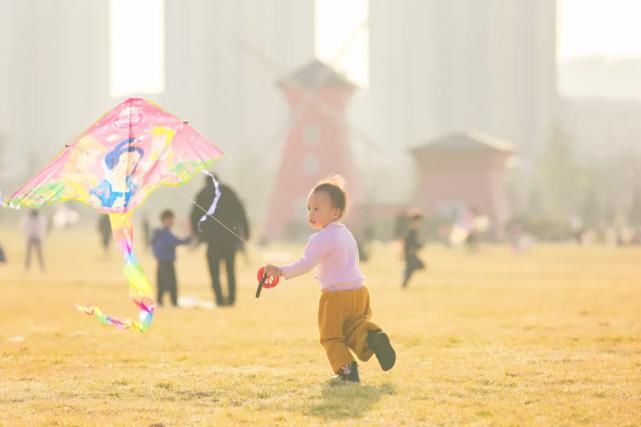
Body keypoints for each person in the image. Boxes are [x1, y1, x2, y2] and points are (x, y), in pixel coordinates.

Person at [263, 175, 396, 384]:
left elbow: (305, 264)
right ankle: (372, 337)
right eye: (309, 208)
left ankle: (347, 372)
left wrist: (280, 271)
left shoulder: (320, 238)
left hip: (335, 297)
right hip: (360, 292)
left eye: (317, 208)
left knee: (331, 337)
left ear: (335, 212)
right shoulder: (346, 234)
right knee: (354, 329)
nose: (311, 213)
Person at [191, 174, 249, 307]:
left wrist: (199, 235)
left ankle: (219, 299)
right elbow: (241, 212)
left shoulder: (203, 193)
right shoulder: (229, 191)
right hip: (230, 238)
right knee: (230, 270)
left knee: (214, 271)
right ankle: (231, 299)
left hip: (212, 240)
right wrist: (246, 232)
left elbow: (195, 215)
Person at [152, 210, 191, 308]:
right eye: (170, 219)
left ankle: (162, 302)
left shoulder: (160, 233)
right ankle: (172, 303)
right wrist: (189, 238)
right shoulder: (163, 233)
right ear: (165, 220)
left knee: (162, 283)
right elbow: (175, 241)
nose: (172, 221)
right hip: (166, 262)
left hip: (163, 262)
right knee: (170, 283)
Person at [402, 211, 425, 288]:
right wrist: (418, 246)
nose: (418, 223)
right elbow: (408, 243)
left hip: (411, 253)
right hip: (409, 253)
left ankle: (405, 279)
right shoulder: (411, 231)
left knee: (411, 268)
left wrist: (419, 245)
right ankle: (404, 277)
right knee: (415, 266)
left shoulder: (414, 231)